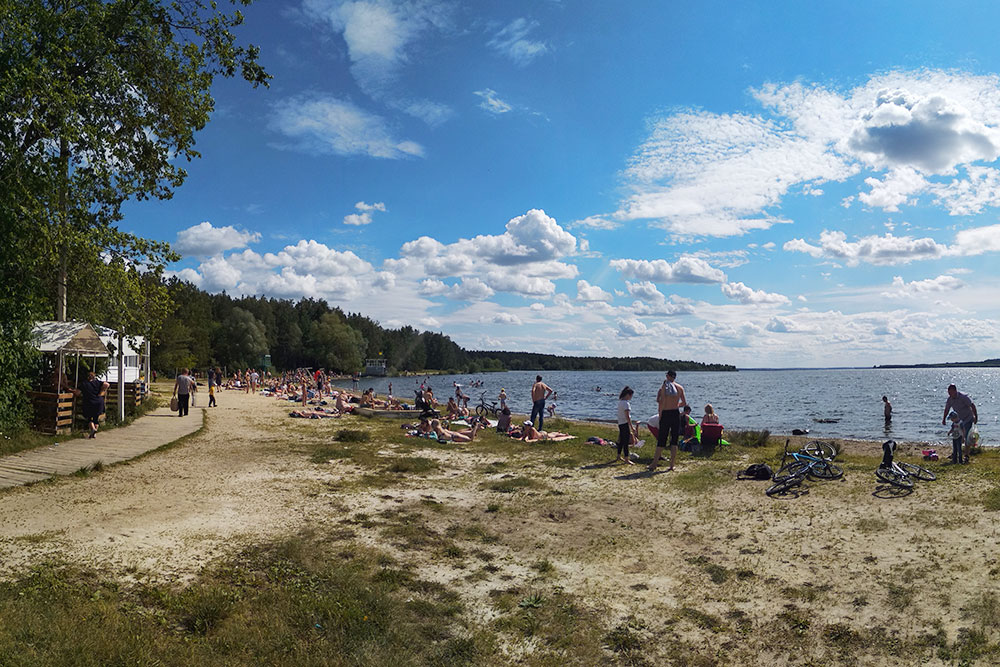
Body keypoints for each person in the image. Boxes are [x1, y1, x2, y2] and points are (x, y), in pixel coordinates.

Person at [649, 370, 686, 472]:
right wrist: (676, 405)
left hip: (666, 414)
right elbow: (684, 403)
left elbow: (661, 403)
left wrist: (660, 415)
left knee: (662, 439)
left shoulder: (663, 388)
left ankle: (654, 464)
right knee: (674, 440)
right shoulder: (680, 388)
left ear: (667, 376)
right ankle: (672, 465)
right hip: (675, 413)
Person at [942, 383, 977, 464]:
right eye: (948, 393)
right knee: (957, 436)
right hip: (958, 420)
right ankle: (956, 453)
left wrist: (975, 417)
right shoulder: (950, 399)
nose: (950, 394)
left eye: (951, 392)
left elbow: (972, 406)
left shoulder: (963, 397)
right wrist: (944, 419)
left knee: (966, 437)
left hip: (968, 418)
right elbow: (947, 409)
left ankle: (966, 456)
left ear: (955, 391)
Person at [75, 371, 109, 438]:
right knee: (96, 418)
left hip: (89, 402)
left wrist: (72, 391)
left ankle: (93, 429)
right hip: (99, 401)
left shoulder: (84, 384)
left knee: (89, 417)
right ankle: (94, 434)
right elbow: (107, 384)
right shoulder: (97, 382)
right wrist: (102, 391)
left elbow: (77, 393)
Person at [616, 387, 637, 464]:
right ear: (628, 395)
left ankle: (618, 455)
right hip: (624, 423)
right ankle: (626, 459)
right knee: (625, 442)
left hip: (620, 423)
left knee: (621, 440)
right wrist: (631, 427)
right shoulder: (626, 403)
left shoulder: (620, 402)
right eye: (631, 396)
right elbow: (627, 416)